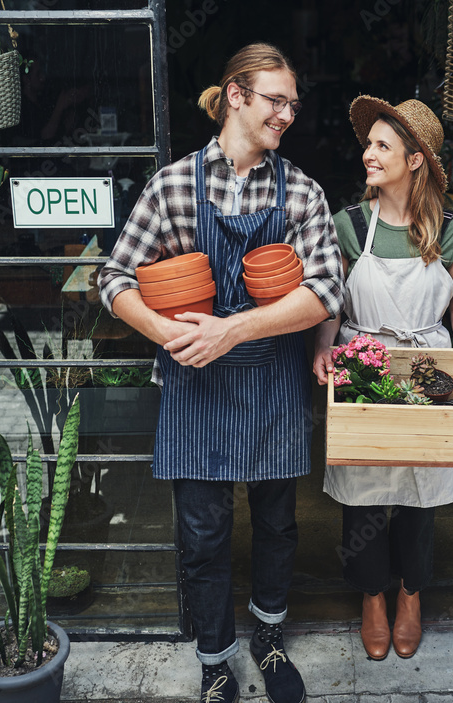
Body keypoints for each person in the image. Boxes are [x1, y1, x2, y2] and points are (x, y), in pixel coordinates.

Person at [98, 43, 343, 703]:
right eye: (275, 100)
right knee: (203, 535)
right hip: (194, 383)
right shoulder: (174, 185)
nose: (288, 114)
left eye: (293, 103)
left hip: (271, 382)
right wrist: (167, 332)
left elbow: (324, 290)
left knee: (278, 525)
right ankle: (214, 660)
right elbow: (114, 277)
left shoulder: (301, 192)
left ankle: (267, 636)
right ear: (236, 95)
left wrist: (231, 329)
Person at [312, 96, 453, 661]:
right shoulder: (349, 225)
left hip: (428, 369)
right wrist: (322, 348)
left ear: (415, 161)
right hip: (363, 364)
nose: (368, 154)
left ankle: (410, 593)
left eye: (382, 146)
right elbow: (331, 304)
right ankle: (372, 597)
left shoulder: (451, 230)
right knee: (364, 492)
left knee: (419, 490)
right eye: (369, 144)